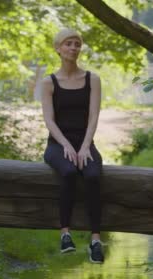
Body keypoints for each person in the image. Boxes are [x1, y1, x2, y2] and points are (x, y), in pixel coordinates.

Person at [41, 28, 104, 263]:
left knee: (93, 175)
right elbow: (49, 120)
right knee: (68, 172)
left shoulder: (92, 79)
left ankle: (96, 240)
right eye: (68, 44)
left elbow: (94, 116)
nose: (74, 48)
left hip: (85, 143)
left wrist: (85, 145)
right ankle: (65, 234)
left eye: (77, 44)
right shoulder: (49, 82)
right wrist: (66, 145)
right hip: (58, 144)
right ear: (58, 48)